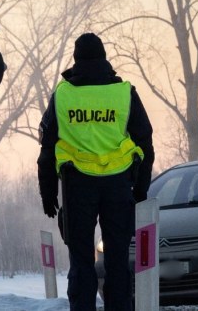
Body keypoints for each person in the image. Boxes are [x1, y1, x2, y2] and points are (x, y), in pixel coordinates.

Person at [38, 33, 155, 311]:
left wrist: (48, 192)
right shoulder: (124, 93)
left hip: (77, 186)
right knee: (116, 260)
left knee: (81, 261)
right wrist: (140, 190)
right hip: (118, 185)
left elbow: (47, 149)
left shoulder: (62, 96)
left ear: (76, 60)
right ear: (104, 58)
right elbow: (145, 142)